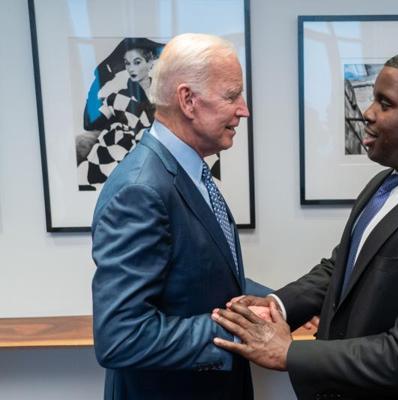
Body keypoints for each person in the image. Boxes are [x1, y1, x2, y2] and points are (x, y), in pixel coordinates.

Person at [211, 51, 398, 400]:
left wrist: (288, 353)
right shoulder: (384, 185)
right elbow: (341, 269)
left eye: (385, 103)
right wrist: (277, 305)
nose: (368, 113)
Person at [91, 33, 269, 400]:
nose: (244, 110)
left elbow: (200, 278)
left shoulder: (188, 171)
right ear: (188, 100)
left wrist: (274, 302)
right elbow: (121, 337)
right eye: (232, 96)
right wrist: (240, 332)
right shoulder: (140, 189)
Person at [77, 38, 162, 190]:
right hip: (111, 168)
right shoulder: (118, 98)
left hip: (153, 172)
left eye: (137, 62)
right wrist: (100, 77)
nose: (131, 68)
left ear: (150, 63)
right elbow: (89, 122)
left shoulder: (165, 97)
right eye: (127, 63)